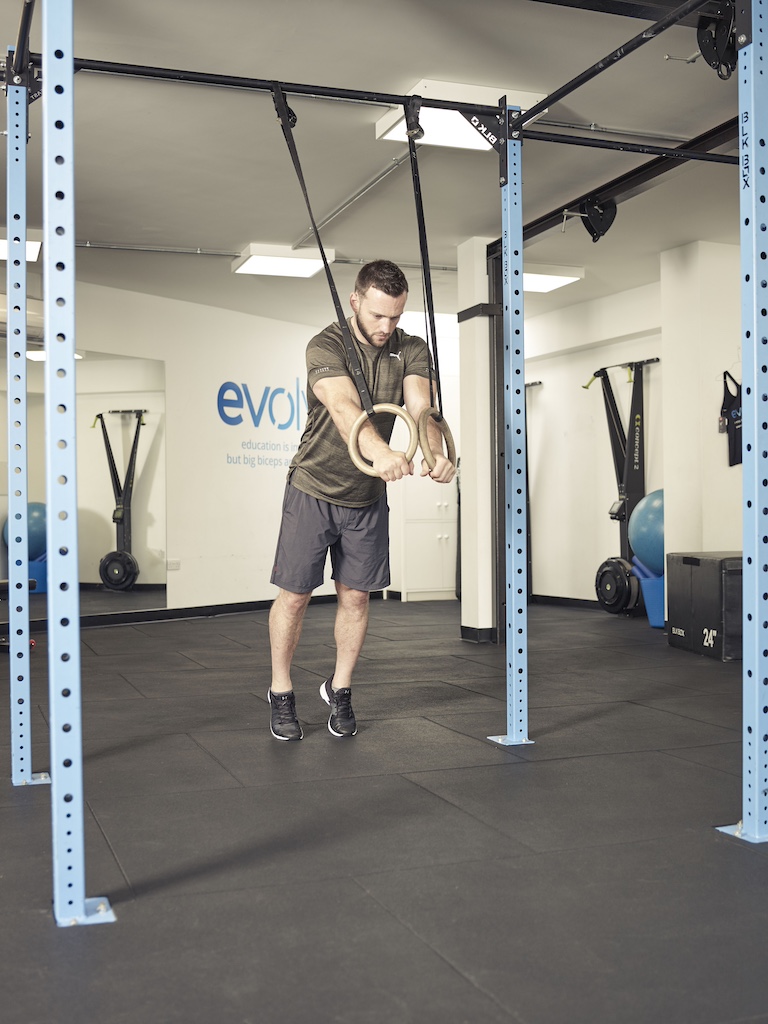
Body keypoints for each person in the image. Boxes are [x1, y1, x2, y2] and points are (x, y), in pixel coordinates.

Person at [268, 259, 455, 741]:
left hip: (366, 498)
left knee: (355, 597)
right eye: (376, 315)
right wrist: (383, 452)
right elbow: (343, 406)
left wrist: (434, 454)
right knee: (295, 597)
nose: (385, 327)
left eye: (394, 316)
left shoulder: (412, 347)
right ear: (355, 301)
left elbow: (420, 408)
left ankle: (340, 688)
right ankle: (282, 690)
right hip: (313, 487)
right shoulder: (326, 344)